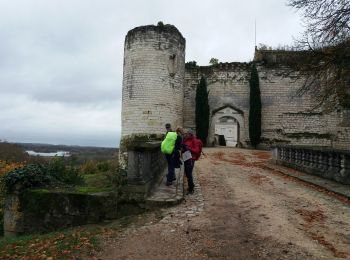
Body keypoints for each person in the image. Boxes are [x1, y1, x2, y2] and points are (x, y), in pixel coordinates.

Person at [182, 130, 202, 194]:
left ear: (191, 134)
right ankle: (191, 186)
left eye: (187, 134)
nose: (186, 135)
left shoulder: (195, 141)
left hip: (191, 159)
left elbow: (196, 150)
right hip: (186, 158)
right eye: (186, 134)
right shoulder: (186, 140)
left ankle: (191, 188)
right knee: (187, 173)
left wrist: (189, 148)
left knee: (189, 174)